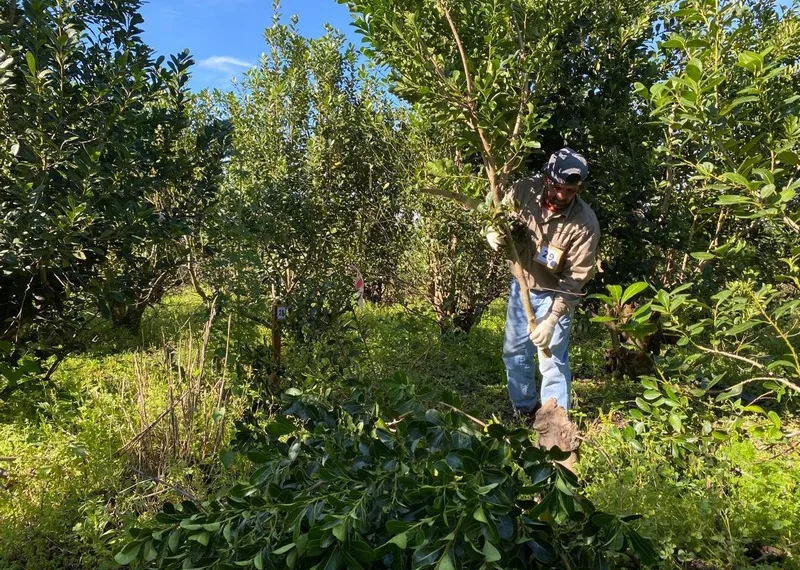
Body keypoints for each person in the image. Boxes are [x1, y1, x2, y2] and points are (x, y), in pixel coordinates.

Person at [487, 148, 600, 464]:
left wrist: (552, 319)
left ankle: (555, 429)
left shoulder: (584, 223)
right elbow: (496, 212)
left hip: (556, 294)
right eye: (558, 187)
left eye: (571, 190)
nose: (562, 195)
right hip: (521, 286)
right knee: (514, 352)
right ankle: (524, 411)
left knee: (551, 360)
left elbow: (575, 280)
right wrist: (492, 231)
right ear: (547, 178)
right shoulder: (524, 190)